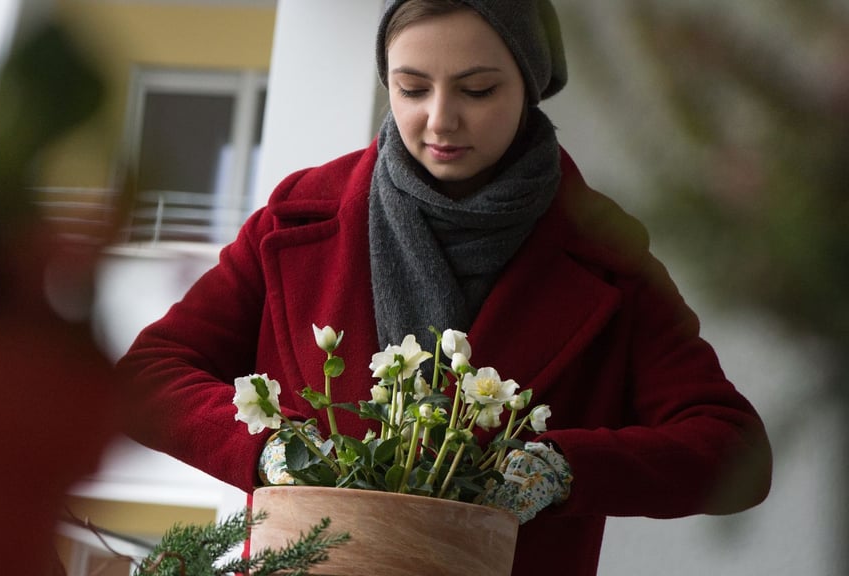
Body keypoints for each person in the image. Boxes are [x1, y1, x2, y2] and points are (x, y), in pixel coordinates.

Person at [115, 1, 772, 574]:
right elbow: (146, 378)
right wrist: (271, 450)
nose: (439, 120)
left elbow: (734, 448)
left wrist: (559, 468)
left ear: (529, 84)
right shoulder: (296, 219)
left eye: (478, 90)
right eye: (411, 87)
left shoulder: (605, 255)